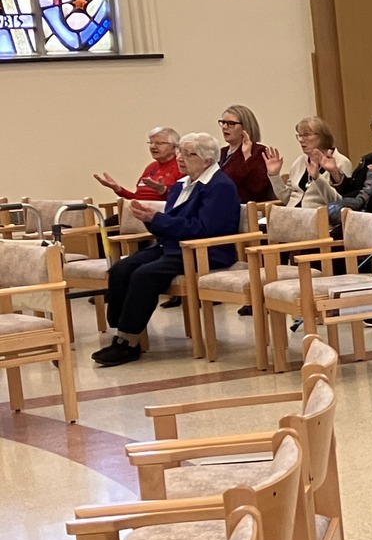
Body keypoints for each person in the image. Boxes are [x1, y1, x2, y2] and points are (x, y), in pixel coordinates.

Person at [92, 132, 241, 367]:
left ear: (207, 160)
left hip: (204, 251)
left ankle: (127, 342)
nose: (180, 158)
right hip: (173, 246)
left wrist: (158, 219)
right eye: (180, 151)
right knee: (121, 268)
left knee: (144, 275)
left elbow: (203, 229)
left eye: (188, 153)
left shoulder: (219, 186)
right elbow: (168, 225)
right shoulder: (181, 185)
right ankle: (124, 333)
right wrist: (150, 219)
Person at [267, 117, 353, 211]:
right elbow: (289, 199)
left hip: (320, 219)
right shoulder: (299, 162)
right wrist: (274, 176)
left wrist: (317, 178)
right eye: (299, 135)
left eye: (306, 135)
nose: (300, 139)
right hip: (293, 216)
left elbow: (338, 203)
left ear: (322, 136)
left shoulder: (341, 162)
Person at [94, 127, 181, 203]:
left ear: (175, 147)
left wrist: (163, 191)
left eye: (159, 143)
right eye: (151, 143)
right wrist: (118, 189)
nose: (153, 147)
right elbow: (137, 199)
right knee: (101, 222)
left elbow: (181, 202)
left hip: (160, 217)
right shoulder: (151, 167)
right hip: (139, 213)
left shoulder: (181, 167)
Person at [214, 105, 277, 204]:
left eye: (231, 123)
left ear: (245, 127)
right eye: (223, 123)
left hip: (246, 210)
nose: (225, 127)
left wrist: (247, 157)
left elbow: (257, 189)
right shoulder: (221, 153)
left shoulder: (259, 152)